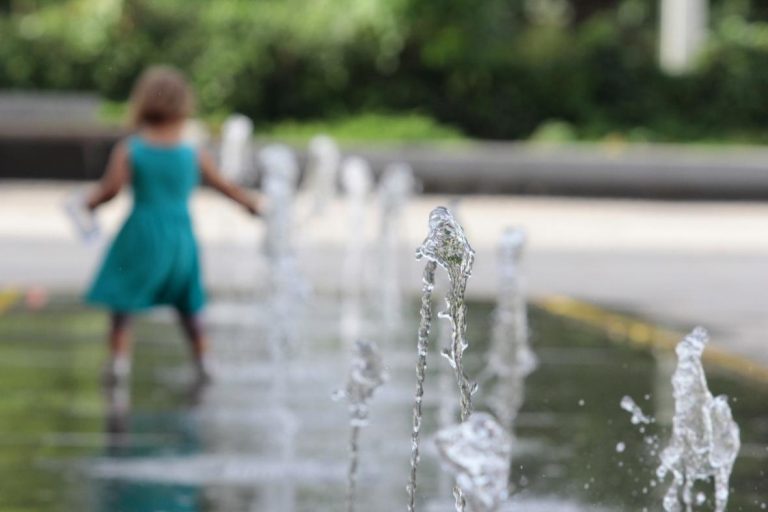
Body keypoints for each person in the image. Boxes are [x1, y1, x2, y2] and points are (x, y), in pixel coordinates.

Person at [85, 65, 258, 384]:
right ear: (184, 105)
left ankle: (119, 361)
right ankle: (204, 359)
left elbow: (110, 190)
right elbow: (224, 185)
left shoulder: (132, 148)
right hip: (180, 237)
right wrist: (250, 204)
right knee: (188, 301)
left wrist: (88, 203)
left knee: (124, 300)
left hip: (141, 234)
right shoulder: (192, 151)